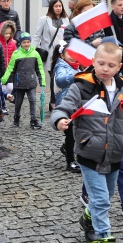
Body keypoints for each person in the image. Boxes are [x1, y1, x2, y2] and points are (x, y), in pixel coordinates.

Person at [51, 42, 123, 243]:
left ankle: (88, 217)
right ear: (93, 62)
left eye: (111, 65)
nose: (105, 69)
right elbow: (64, 107)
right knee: (100, 199)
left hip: (115, 153)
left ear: (119, 66)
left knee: (106, 197)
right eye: (101, 63)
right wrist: (59, 120)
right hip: (89, 153)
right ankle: (103, 236)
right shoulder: (82, 86)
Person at [32, 0, 70, 111]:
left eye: (60, 6)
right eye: (56, 6)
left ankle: (58, 101)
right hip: (50, 54)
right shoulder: (44, 19)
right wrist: (32, 52)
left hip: (62, 53)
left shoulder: (66, 20)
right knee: (53, 77)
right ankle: (53, 102)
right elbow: (37, 36)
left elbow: (68, 36)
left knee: (60, 77)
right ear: (51, 7)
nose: (58, 8)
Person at [1, 32, 45, 128]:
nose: (26, 44)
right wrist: (4, 79)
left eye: (28, 42)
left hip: (31, 82)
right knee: (18, 102)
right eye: (24, 42)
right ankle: (16, 118)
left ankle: (33, 120)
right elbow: (10, 68)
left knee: (33, 100)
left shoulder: (35, 53)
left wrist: (42, 80)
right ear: (20, 43)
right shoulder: (16, 54)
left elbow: (39, 68)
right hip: (19, 83)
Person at [51, 41, 81, 173]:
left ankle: (66, 148)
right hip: (65, 106)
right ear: (62, 55)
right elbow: (61, 80)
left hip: (76, 105)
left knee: (76, 132)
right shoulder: (61, 66)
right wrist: (77, 76)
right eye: (69, 53)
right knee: (71, 133)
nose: (73, 56)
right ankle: (70, 161)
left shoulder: (76, 67)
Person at [0, 21, 17, 100]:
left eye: (9, 33)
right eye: (6, 33)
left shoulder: (12, 43)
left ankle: (5, 98)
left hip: (10, 69)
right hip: (1, 69)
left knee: (10, 87)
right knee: (2, 87)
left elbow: (15, 54)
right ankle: (2, 103)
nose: (8, 35)